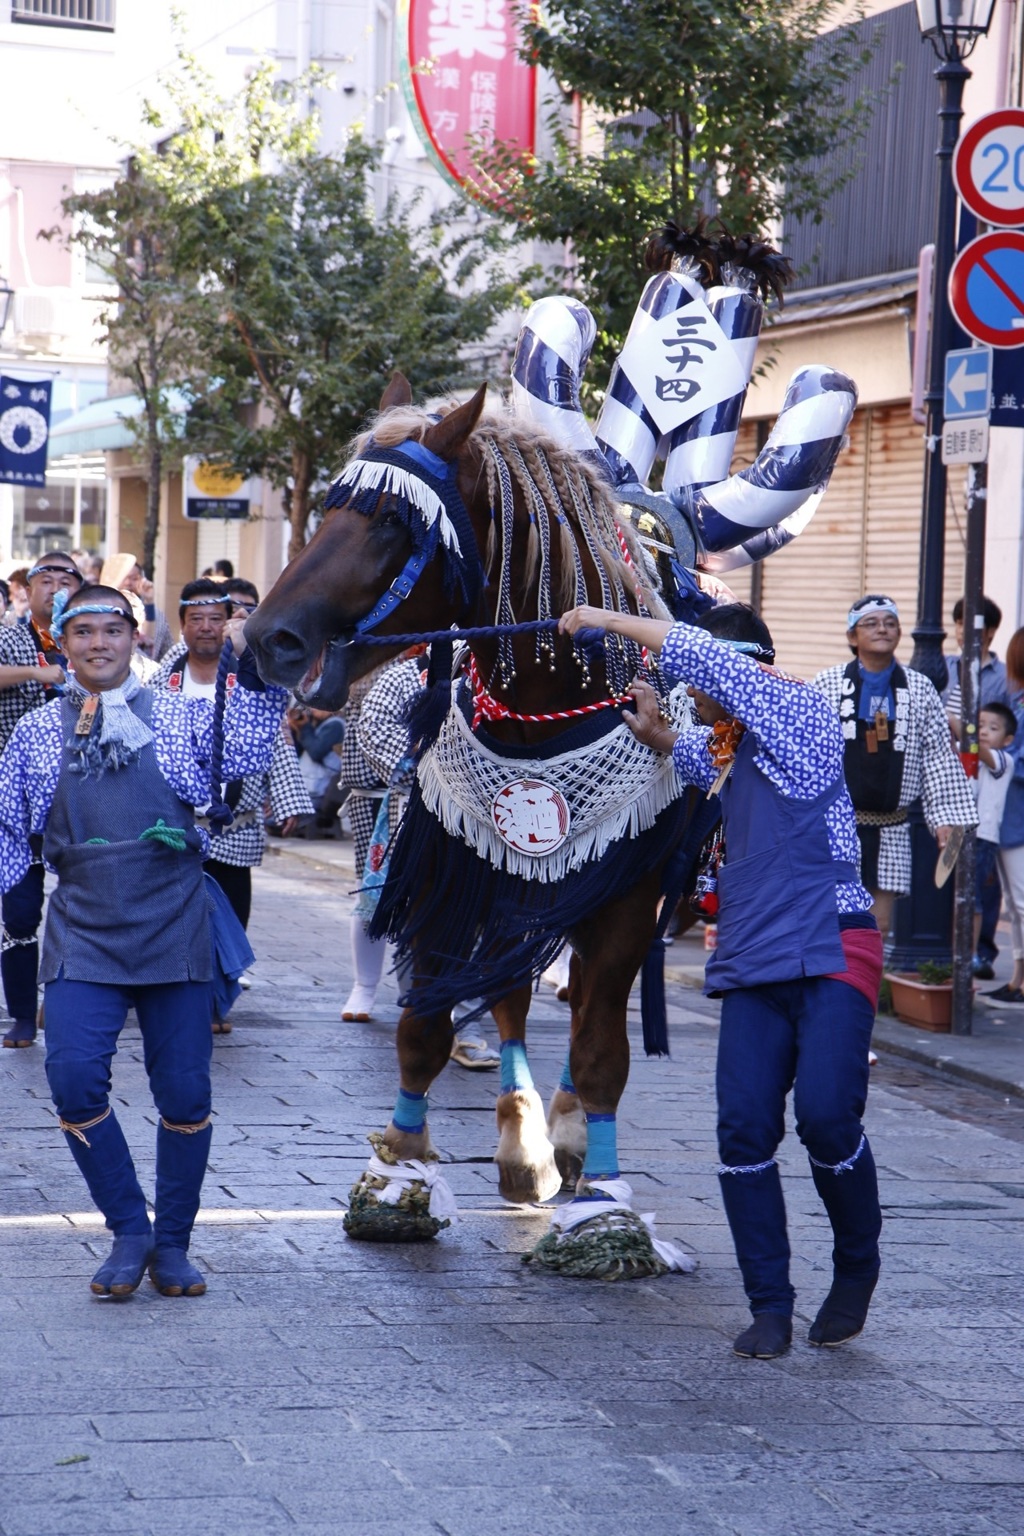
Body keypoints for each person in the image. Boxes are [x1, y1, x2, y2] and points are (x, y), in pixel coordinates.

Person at [559, 599, 885, 1361]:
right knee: (743, 1128)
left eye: (697, 684)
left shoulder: (796, 709)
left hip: (834, 943)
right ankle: (769, 1305)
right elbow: (692, 748)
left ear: (739, 674)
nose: (690, 693)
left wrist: (601, 616)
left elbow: (696, 651)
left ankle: (857, 1262)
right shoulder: (730, 743)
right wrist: (656, 733)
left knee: (829, 1117)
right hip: (754, 954)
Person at [0, 583, 288, 1297]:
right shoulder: (35, 734)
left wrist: (264, 652)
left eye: (113, 630)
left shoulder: (185, 719)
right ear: (62, 645)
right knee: (72, 1081)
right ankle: (129, 1226)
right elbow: (10, 828)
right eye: (83, 632)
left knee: (186, 1095)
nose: (99, 643)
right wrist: (15, 893)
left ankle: (174, 1243)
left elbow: (249, 750)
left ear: (135, 638)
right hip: (84, 935)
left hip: (175, 930)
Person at [153, 578, 313, 1029]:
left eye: (215, 620)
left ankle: (217, 998)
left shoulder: (250, 674)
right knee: (173, 913)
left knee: (230, 916)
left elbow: (275, 740)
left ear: (230, 624)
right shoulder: (156, 680)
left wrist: (289, 800)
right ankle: (178, 997)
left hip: (235, 823)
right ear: (181, 626)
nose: (206, 628)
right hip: (175, 823)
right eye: (195, 620)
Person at [356, 652, 500, 1070]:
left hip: (485, 820)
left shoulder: (497, 666)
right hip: (418, 814)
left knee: (480, 921)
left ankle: (469, 1025)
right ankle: (420, 1012)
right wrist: (432, 762)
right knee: (414, 919)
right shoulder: (402, 675)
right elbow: (375, 731)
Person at [811, 595, 976, 940]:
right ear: (852, 637)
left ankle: (867, 993)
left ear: (900, 632)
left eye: (890, 623)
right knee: (830, 921)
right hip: (837, 825)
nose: (882, 629)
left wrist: (945, 819)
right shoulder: (825, 684)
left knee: (878, 926)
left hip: (892, 827)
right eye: (871, 623)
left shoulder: (920, 688)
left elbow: (938, 755)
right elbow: (808, 751)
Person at [0, 551, 84, 1047]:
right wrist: (36, 674)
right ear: (26, 590)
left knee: (83, 904)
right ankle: (21, 1015)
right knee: (21, 909)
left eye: (65, 580)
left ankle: (67, 1002)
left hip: (82, 793)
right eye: (45, 580)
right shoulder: (9, 634)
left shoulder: (90, 634)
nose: (54, 588)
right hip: (15, 798)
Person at [964, 703, 1016, 999]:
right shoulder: (971, 757)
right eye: (980, 724)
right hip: (963, 834)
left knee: (972, 899)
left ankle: (970, 954)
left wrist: (962, 725)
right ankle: (961, 951)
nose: (983, 731)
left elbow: (976, 747)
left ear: (1007, 740)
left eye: (992, 728)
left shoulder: (1002, 760)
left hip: (982, 837)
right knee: (961, 897)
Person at [987, 633, 1024, 1007]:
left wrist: (1000, 755)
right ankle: (1017, 978)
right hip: (1007, 817)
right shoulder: (1018, 701)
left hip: (1017, 818)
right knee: (1013, 905)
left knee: (1021, 903)